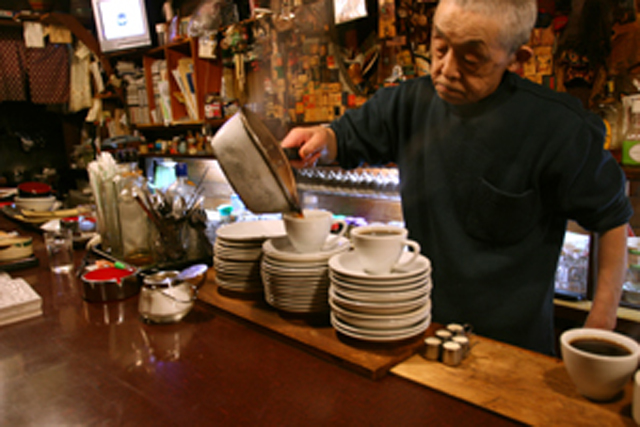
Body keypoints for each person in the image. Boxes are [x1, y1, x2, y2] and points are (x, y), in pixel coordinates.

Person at [281, 0, 633, 355]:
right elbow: (344, 137)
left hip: (514, 351)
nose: (446, 69)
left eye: (470, 59)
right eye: (440, 48)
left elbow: (613, 218)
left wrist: (600, 326)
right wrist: (323, 139)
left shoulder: (555, 127)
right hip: (419, 332)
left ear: (516, 59)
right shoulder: (408, 103)